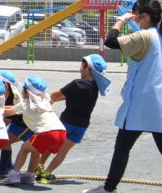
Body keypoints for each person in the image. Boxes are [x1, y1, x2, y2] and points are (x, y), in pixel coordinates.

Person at [83, 0, 162, 193]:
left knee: (123, 146)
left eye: (135, 14)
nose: (133, 18)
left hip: (142, 101)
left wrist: (120, 20)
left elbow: (111, 42)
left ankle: (108, 189)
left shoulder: (144, 35)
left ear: (142, 16)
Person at [35, 55, 110, 183]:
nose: (80, 69)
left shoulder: (77, 83)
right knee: (63, 152)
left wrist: (40, 100)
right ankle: (46, 174)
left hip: (66, 122)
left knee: (51, 145)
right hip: (82, 125)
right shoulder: (95, 86)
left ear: (87, 68)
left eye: (82, 66)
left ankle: (38, 166)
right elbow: (69, 96)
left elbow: (56, 95)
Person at [2, 77, 66, 186]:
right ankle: (29, 175)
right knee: (36, 150)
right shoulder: (44, 101)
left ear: (27, 93)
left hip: (47, 132)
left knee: (24, 149)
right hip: (61, 133)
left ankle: (14, 174)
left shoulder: (26, 103)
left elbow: (8, 112)